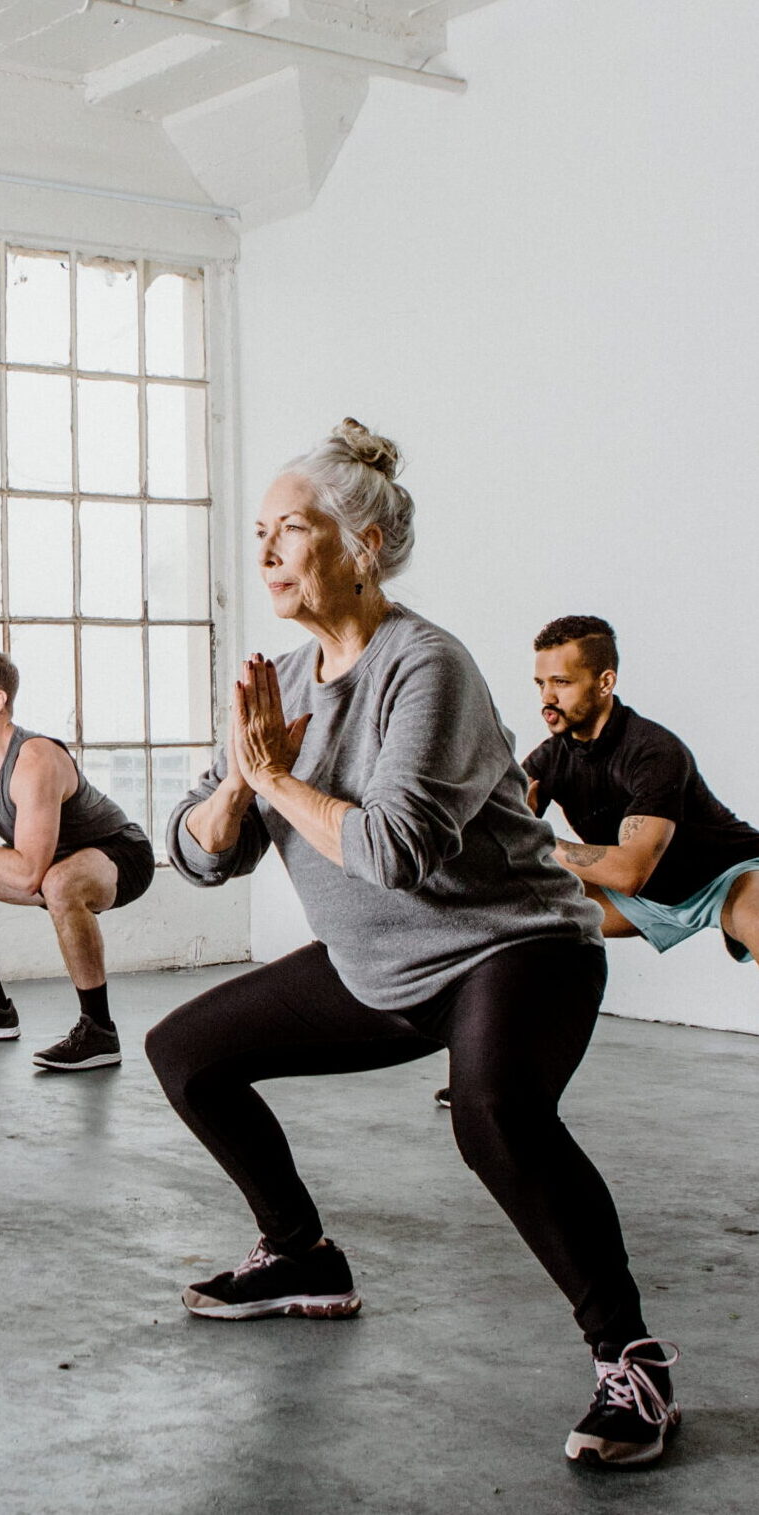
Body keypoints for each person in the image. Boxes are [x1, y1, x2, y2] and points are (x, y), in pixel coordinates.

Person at [145, 421, 679, 1467]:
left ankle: (634, 1362)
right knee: (185, 1053)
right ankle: (301, 1256)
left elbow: (392, 851)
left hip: (513, 949)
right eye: (258, 532)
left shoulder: (427, 668)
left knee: (495, 1117)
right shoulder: (281, 683)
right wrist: (241, 786)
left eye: (289, 531)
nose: (264, 555)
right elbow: (200, 855)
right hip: (382, 967)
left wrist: (275, 781)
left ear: (365, 546)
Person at [434, 614, 759, 1110]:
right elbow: (499, 843)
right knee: (508, 920)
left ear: (605, 682)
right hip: (649, 900)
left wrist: (535, 835)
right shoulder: (550, 758)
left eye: (562, 682)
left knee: (757, 915)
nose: (547, 697)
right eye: (541, 683)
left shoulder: (653, 750)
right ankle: (488, 1079)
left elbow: (629, 872)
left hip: (725, 875)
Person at [0, 648, 155, 1071]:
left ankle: (99, 1031)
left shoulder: (34, 759)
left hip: (119, 854)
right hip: (46, 864)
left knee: (59, 883)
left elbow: (27, 876)